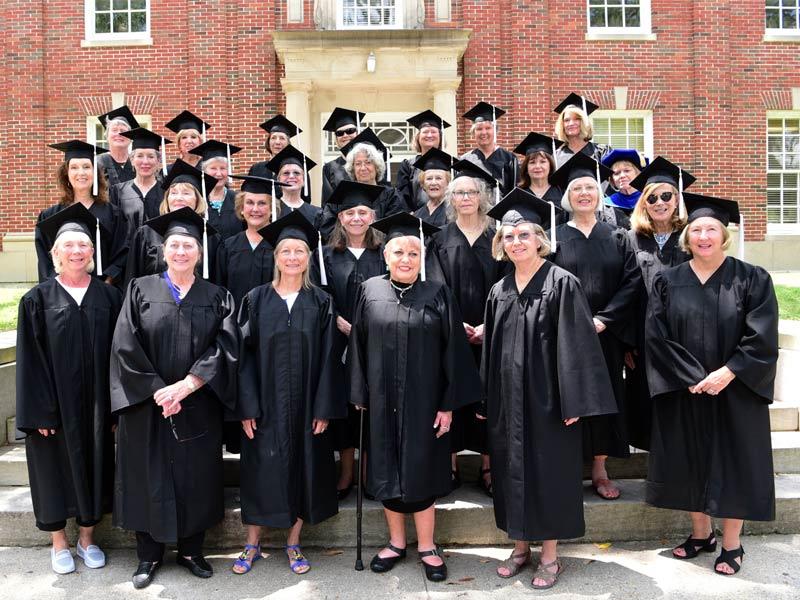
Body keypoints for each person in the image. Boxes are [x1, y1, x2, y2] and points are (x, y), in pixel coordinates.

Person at [481, 191, 616, 590]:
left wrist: (573, 399)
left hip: (550, 401)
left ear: (541, 239)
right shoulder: (499, 290)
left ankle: (551, 557)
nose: (517, 242)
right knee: (510, 473)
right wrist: (489, 400)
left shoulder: (562, 283)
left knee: (551, 474)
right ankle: (520, 547)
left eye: (524, 234)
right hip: (509, 400)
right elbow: (490, 352)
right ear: (501, 244)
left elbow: (577, 344)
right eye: (509, 236)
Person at [645, 193, 778, 576]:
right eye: (697, 229)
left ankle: (733, 544)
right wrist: (689, 377)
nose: (704, 236)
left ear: (724, 236)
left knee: (733, 463)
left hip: (735, 389)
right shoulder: (667, 281)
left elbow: (762, 335)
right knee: (691, 460)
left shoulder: (752, 278)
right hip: (687, 390)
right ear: (687, 237)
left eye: (712, 230)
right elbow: (656, 335)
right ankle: (701, 535)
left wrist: (729, 371)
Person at [349, 212, 481, 583]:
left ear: (421, 259)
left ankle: (426, 545)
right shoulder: (369, 290)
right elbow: (357, 345)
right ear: (385, 257)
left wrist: (448, 404)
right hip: (380, 400)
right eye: (398, 253)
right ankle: (395, 542)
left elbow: (454, 351)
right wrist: (359, 394)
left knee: (422, 470)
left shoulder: (438, 293)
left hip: (425, 402)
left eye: (412, 253)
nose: (405, 259)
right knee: (387, 469)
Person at [110, 209, 238, 589]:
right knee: (146, 473)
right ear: (164, 252)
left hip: (196, 403)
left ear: (199, 253)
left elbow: (227, 347)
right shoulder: (139, 289)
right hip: (147, 406)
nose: (181, 251)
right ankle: (148, 556)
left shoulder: (218, 295)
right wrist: (157, 390)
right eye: (175, 245)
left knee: (195, 475)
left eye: (188, 246)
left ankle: (191, 550)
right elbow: (124, 345)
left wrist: (188, 385)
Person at [231, 210, 342, 575]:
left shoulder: (322, 301)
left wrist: (324, 407)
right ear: (274, 257)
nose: (292, 257)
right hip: (264, 406)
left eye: (299, 251)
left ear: (309, 258)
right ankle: (252, 544)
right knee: (260, 471)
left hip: (308, 405)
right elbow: (242, 357)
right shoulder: (256, 299)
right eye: (285, 251)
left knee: (304, 471)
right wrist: (246, 405)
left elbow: (330, 357)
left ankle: (294, 543)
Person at [17, 204, 122, 574]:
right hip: (53, 408)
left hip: (96, 405)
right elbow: (30, 361)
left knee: (95, 467)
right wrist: (40, 412)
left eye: (83, 245)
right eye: (69, 246)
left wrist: (115, 407)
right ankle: (59, 543)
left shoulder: (110, 298)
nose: (77, 251)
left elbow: (119, 356)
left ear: (92, 253)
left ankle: (87, 539)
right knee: (52, 471)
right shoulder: (36, 300)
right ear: (55, 254)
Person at [550, 152, 642, 501]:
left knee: (606, 398)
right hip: (565, 332)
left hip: (607, 334)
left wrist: (605, 319)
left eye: (590, 187)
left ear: (599, 194)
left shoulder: (618, 236)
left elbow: (632, 282)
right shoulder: (553, 237)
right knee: (568, 396)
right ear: (568, 197)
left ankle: (600, 468)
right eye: (577, 189)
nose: (584, 193)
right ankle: (570, 464)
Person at [432, 168, 510, 496]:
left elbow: (509, 282)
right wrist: (454, 323)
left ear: (482, 197)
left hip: (493, 329)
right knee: (450, 392)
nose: (465, 198)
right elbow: (435, 286)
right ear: (451, 200)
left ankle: (488, 468)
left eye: (471, 192)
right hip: (452, 333)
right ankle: (449, 465)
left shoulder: (498, 235)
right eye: (459, 193)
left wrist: (488, 324)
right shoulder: (440, 237)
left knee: (488, 397)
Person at [310, 181, 386, 501]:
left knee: (372, 400)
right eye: (350, 213)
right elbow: (316, 293)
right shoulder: (326, 254)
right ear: (340, 219)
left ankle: (369, 470)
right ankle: (346, 471)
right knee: (343, 401)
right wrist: (336, 319)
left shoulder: (384, 252)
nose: (357, 218)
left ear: (372, 216)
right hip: (338, 339)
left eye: (363, 212)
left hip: (375, 339)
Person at [623, 157, 693, 449]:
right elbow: (624, 292)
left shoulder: (691, 237)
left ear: (677, 199)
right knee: (644, 396)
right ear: (644, 203)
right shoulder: (630, 239)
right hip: (642, 336)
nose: (660, 202)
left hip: (682, 336)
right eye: (652, 197)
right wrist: (626, 342)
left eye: (666, 195)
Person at [214, 174, 285, 454]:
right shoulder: (228, 246)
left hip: (273, 333)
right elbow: (219, 291)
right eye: (251, 203)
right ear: (241, 208)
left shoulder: (280, 247)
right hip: (236, 334)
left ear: (272, 208)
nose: (256, 209)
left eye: (263, 203)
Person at [36, 140, 128, 287]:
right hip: (63, 295)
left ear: (95, 172)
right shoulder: (50, 216)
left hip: (102, 293)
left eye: (86, 167)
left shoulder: (113, 214)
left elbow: (122, 253)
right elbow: (45, 261)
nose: (81, 173)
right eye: (74, 167)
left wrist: (107, 284)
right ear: (66, 173)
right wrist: (60, 287)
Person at [124, 159, 219, 288]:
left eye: (186, 193)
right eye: (173, 193)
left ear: (197, 199)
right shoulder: (146, 233)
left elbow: (217, 283)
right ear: (167, 198)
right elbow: (132, 279)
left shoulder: (210, 236)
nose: (178, 198)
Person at [319, 129, 406, 239]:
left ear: (377, 166)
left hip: (380, 253)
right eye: (358, 164)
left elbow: (395, 228)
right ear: (352, 168)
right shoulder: (341, 194)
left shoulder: (391, 196)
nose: (363, 168)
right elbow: (328, 226)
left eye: (368, 162)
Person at [111, 128, 169, 240]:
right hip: (125, 256)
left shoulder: (166, 192)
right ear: (132, 160)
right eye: (140, 156)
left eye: (151, 156)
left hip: (158, 255)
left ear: (158, 161)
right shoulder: (117, 191)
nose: (145, 161)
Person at [190, 139, 246, 240]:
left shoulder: (238, 199)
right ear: (204, 171)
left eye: (223, 168)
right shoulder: (197, 199)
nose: (219, 173)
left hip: (233, 254)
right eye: (213, 168)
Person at [248, 115, 311, 203]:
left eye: (282, 138)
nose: (277, 142)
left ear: (288, 143)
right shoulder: (257, 169)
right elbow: (248, 196)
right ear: (268, 142)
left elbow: (305, 201)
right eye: (273, 138)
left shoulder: (299, 169)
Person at [397, 110, 451, 211]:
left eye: (433, 132)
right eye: (425, 132)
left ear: (440, 137)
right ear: (418, 138)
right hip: (418, 220)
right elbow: (402, 196)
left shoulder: (451, 163)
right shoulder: (409, 165)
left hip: (447, 217)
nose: (429, 135)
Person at [461, 102, 517, 196]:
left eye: (488, 128)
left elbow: (514, 190)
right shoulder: (465, 160)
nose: (484, 132)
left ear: (495, 130)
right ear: (473, 133)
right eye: (479, 129)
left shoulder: (509, 159)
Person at [267, 145, 322, 228]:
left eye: (296, 173)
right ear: (278, 180)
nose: (291, 176)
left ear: (304, 180)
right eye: (286, 173)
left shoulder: (317, 213)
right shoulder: (270, 210)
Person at [321, 107, 366, 205]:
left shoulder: (372, 162)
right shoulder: (329, 168)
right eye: (340, 133)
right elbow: (327, 204)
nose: (345, 135)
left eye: (350, 131)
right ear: (336, 139)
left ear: (358, 133)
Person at [553, 93, 610, 167]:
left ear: (584, 122)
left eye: (577, 119)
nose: (571, 123)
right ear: (562, 124)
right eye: (567, 120)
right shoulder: (555, 157)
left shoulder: (602, 152)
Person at [514, 132, 565, 213]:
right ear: (526, 168)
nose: (537, 166)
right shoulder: (519, 194)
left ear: (550, 165)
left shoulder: (562, 192)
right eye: (532, 162)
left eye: (542, 162)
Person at [96, 105, 139, 187]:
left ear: (130, 138)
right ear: (107, 136)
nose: (119, 134)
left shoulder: (138, 164)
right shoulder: (97, 163)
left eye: (123, 130)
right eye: (114, 130)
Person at [412, 148, 456, 228]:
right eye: (429, 179)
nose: (433, 182)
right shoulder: (417, 215)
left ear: (448, 182)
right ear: (423, 184)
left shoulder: (455, 210)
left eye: (438, 178)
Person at [602, 149, 648, 220]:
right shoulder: (606, 205)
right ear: (612, 180)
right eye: (617, 173)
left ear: (637, 174)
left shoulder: (649, 200)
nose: (622, 175)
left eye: (627, 171)